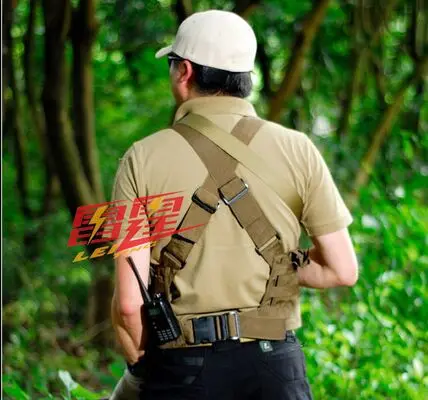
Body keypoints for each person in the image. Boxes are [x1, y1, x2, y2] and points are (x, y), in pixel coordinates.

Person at [109, 9, 358, 400]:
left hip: (183, 372)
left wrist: (144, 371)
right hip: (275, 368)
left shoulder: (141, 158)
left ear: (184, 71)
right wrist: (285, 262)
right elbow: (342, 270)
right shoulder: (298, 149)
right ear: (246, 79)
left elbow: (128, 304)